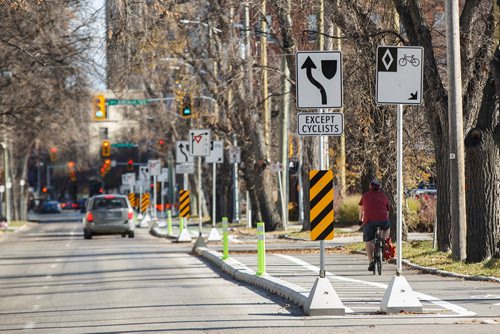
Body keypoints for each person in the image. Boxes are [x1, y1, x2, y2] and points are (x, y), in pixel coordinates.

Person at [359, 179, 391, 271]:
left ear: (370, 187)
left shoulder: (365, 196)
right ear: (379, 187)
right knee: (386, 227)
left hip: (369, 222)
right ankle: (384, 243)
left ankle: (370, 262)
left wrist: (360, 220)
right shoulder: (384, 196)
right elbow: (387, 211)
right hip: (383, 221)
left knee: (368, 241)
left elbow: (361, 210)